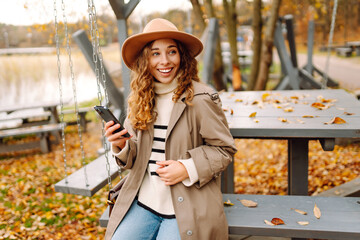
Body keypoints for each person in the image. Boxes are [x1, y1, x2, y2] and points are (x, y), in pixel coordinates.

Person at [104, 18, 237, 240]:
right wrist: (121, 144)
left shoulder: (202, 98)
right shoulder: (139, 98)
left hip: (186, 206)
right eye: (155, 53)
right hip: (144, 202)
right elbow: (134, 157)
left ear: (182, 55)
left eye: (171, 51)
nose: (164, 61)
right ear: (144, 60)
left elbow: (224, 150)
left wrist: (187, 167)